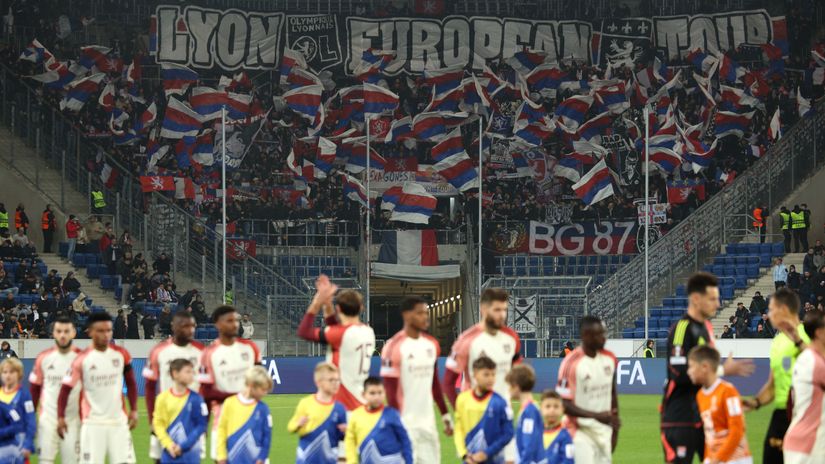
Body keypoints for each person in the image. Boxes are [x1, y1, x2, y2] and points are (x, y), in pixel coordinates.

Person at [661, 272, 754, 464]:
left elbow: (707, 372)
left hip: (705, 417)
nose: (717, 304)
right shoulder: (682, 328)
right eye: (712, 299)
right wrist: (723, 370)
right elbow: (678, 374)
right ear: (696, 299)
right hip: (680, 417)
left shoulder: (707, 328)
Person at [58, 312, 138, 463]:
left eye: (108, 330)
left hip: (119, 422)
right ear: (90, 332)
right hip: (92, 423)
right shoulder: (81, 359)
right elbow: (65, 389)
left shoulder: (121, 354)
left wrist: (133, 409)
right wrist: (61, 416)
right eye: (100, 331)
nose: (105, 335)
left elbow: (131, 382)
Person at [742, 288, 810, 463]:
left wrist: (799, 343)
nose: (769, 314)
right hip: (781, 414)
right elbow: (772, 385)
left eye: (771, 310)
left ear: (784, 310)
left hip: (806, 413)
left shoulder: (809, 334)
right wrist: (754, 403)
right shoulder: (778, 341)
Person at [380, 296, 451, 463]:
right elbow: (390, 393)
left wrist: (445, 415)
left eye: (426, 313)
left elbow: (434, 384)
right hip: (405, 425)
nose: (425, 317)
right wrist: (396, 425)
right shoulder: (393, 346)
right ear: (406, 315)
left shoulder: (432, 344)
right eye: (420, 313)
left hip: (428, 424)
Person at [297, 275, 375, 410]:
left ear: (338, 309)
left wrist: (317, 303)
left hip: (344, 403)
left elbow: (304, 332)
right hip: (361, 402)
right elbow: (334, 328)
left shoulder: (341, 334)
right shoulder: (368, 331)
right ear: (361, 308)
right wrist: (327, 304)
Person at [199, 305, 262, 461]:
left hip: (249, 417)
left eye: (236, 321)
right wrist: (203, 424)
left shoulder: (251, 348)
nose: (235, 324)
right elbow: (205, 392)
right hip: (222, 418)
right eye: (229, 321)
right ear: (218, 324)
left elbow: (259, 380)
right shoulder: (209, 353)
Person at [556, 316, 619, 464]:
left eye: (604, 333)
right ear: (585, 335)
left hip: (604, 430)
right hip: (579, 431)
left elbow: (612, 393)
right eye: (599, 334)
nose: (604, 338)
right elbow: (563, 403)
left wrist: (615, 426)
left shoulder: (610, 359)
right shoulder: (571, 363)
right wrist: (596, 416)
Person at [144, 311, 205, 463]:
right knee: (160, 459)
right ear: (174, 326)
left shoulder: (202, 351)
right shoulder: (158, 351)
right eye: (186, 326)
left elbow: (206, 387)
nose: (191, 330)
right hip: (165, 414)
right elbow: (150, 387)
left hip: (192, 416)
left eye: (193, 326)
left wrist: (204, 419)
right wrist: (152, 419)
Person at [29, 315, 82, 464]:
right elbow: (34, 391)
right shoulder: (43, 358)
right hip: (47, 419)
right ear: (53, 333)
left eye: (66, 331)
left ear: (73, 333)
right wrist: (29, 419)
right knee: (45, 460)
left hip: (73, 420)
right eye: (59, 331)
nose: (62, 335)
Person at [687, 345, 752, 464]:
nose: (688, 372)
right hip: (715, 458)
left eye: (691, 367)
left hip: (736, 459)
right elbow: (709, 435)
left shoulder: (728, 391)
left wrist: (717, 459)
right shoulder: (700, 395)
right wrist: (708, 459)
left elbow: (737, 431)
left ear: (705, 367)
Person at [454, 356, 514, 464]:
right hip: (470, 460)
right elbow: (459, 428)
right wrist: (464, 454)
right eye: (486, 374)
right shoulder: (462, 399)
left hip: (494, 461)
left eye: (493, 374)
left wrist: (486, 453)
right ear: (475, 375)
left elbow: (508, 433)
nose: (491, 379)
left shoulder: (500, 403)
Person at [783, 310, 825, 463]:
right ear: (819, 333)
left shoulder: (809, 358)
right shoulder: (815, 364)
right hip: (808, 446)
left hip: (802, 443)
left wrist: (798, 341)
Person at [287, 362, 347, 464]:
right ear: (319, 382)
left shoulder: (339, 408)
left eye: (337, 380)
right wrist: (298, 424)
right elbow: (290, 427)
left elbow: (342, 438)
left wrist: (346, 432)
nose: (335, 383)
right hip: (305, 459)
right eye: (331, 380)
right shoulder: (306, 403)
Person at [151, 358, 208, 464]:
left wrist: (183, 446)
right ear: (175, 374)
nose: (192, 375)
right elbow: (158, 424)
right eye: (188, 371)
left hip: (191, 454)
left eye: (192, 372)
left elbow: (201, 425)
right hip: (169, 454)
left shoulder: (197, 399)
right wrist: (169, 444)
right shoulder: (162, 398)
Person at [344, 376, 412, 463]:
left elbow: (404, 439)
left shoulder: (392, 414)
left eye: (380, 393)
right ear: (363, 394)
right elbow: (350, 441)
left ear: (385, 393)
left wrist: (409, 461)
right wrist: (352, 462)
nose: (377, 397)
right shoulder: (356, 416)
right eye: (372, 393)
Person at [215, 365, 273, 464]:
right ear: (251, 386)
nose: (265, 393)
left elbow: (267, 437)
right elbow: (221, 430)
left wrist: (262, 458)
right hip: (232, 458)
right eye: (263, 390)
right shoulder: (230, 403)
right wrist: (221, 456)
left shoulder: (263, 409)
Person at [506, 364, 544, 464]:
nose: (508, 389)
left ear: (516, 386)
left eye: (510, 386)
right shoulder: (527, 409)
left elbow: (529, 445)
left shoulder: (529, 412)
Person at [0, 357, 35, 459]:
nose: (8, 375)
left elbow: (30, 421)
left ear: (19, 374)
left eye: (11, 372)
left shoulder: (24, 395)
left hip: (19, 442)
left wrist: (28, 444)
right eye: (5, 372)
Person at [541, 390, 574, 464]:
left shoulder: (566, 437)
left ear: (562, 409)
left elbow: (569, 461)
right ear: (541, 409)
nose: (552, 410)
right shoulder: (536, 433)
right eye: (548, 406)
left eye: (556, 406)